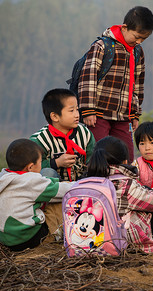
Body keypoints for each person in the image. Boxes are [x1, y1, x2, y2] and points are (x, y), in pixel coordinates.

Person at [86, 136, 153, 252]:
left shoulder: (84, 182)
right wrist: (149, 191)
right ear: (125, 161)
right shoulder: (124, 185)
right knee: (152, 205)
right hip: (121, 241)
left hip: (90, 239)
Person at [78, 6, 153, 161]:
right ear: (125, 27)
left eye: (143, 39)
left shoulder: (137, 52)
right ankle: (96, 184)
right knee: (98, 155)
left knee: (126, 157)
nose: (139, 41)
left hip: (123, 116)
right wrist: (88, 109)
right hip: (98, 113)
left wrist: (135, 113)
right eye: (137, 36)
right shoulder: (102, 46)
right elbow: (88, 77)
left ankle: (125, 185)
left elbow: (137, 85)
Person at [30, 88, 95, 237]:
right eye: (71, 111)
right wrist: (55, 163)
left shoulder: (84, 134)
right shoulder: (39, 140)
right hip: (54, 193)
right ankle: (52, 221)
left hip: (80, 186)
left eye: (77, 109)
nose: (77, 114)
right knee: (46, 172)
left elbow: (92, 160)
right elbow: (29, 170)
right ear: (55, 116)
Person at [0, 139, 73, 251]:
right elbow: (65, 190)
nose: (41, 166)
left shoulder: (4, 176)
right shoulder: (29, 181)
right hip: (28, 238)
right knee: (61, 203)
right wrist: (85, 183)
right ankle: (56, 234)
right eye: (40, 163)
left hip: (6, 238)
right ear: (30, 167)